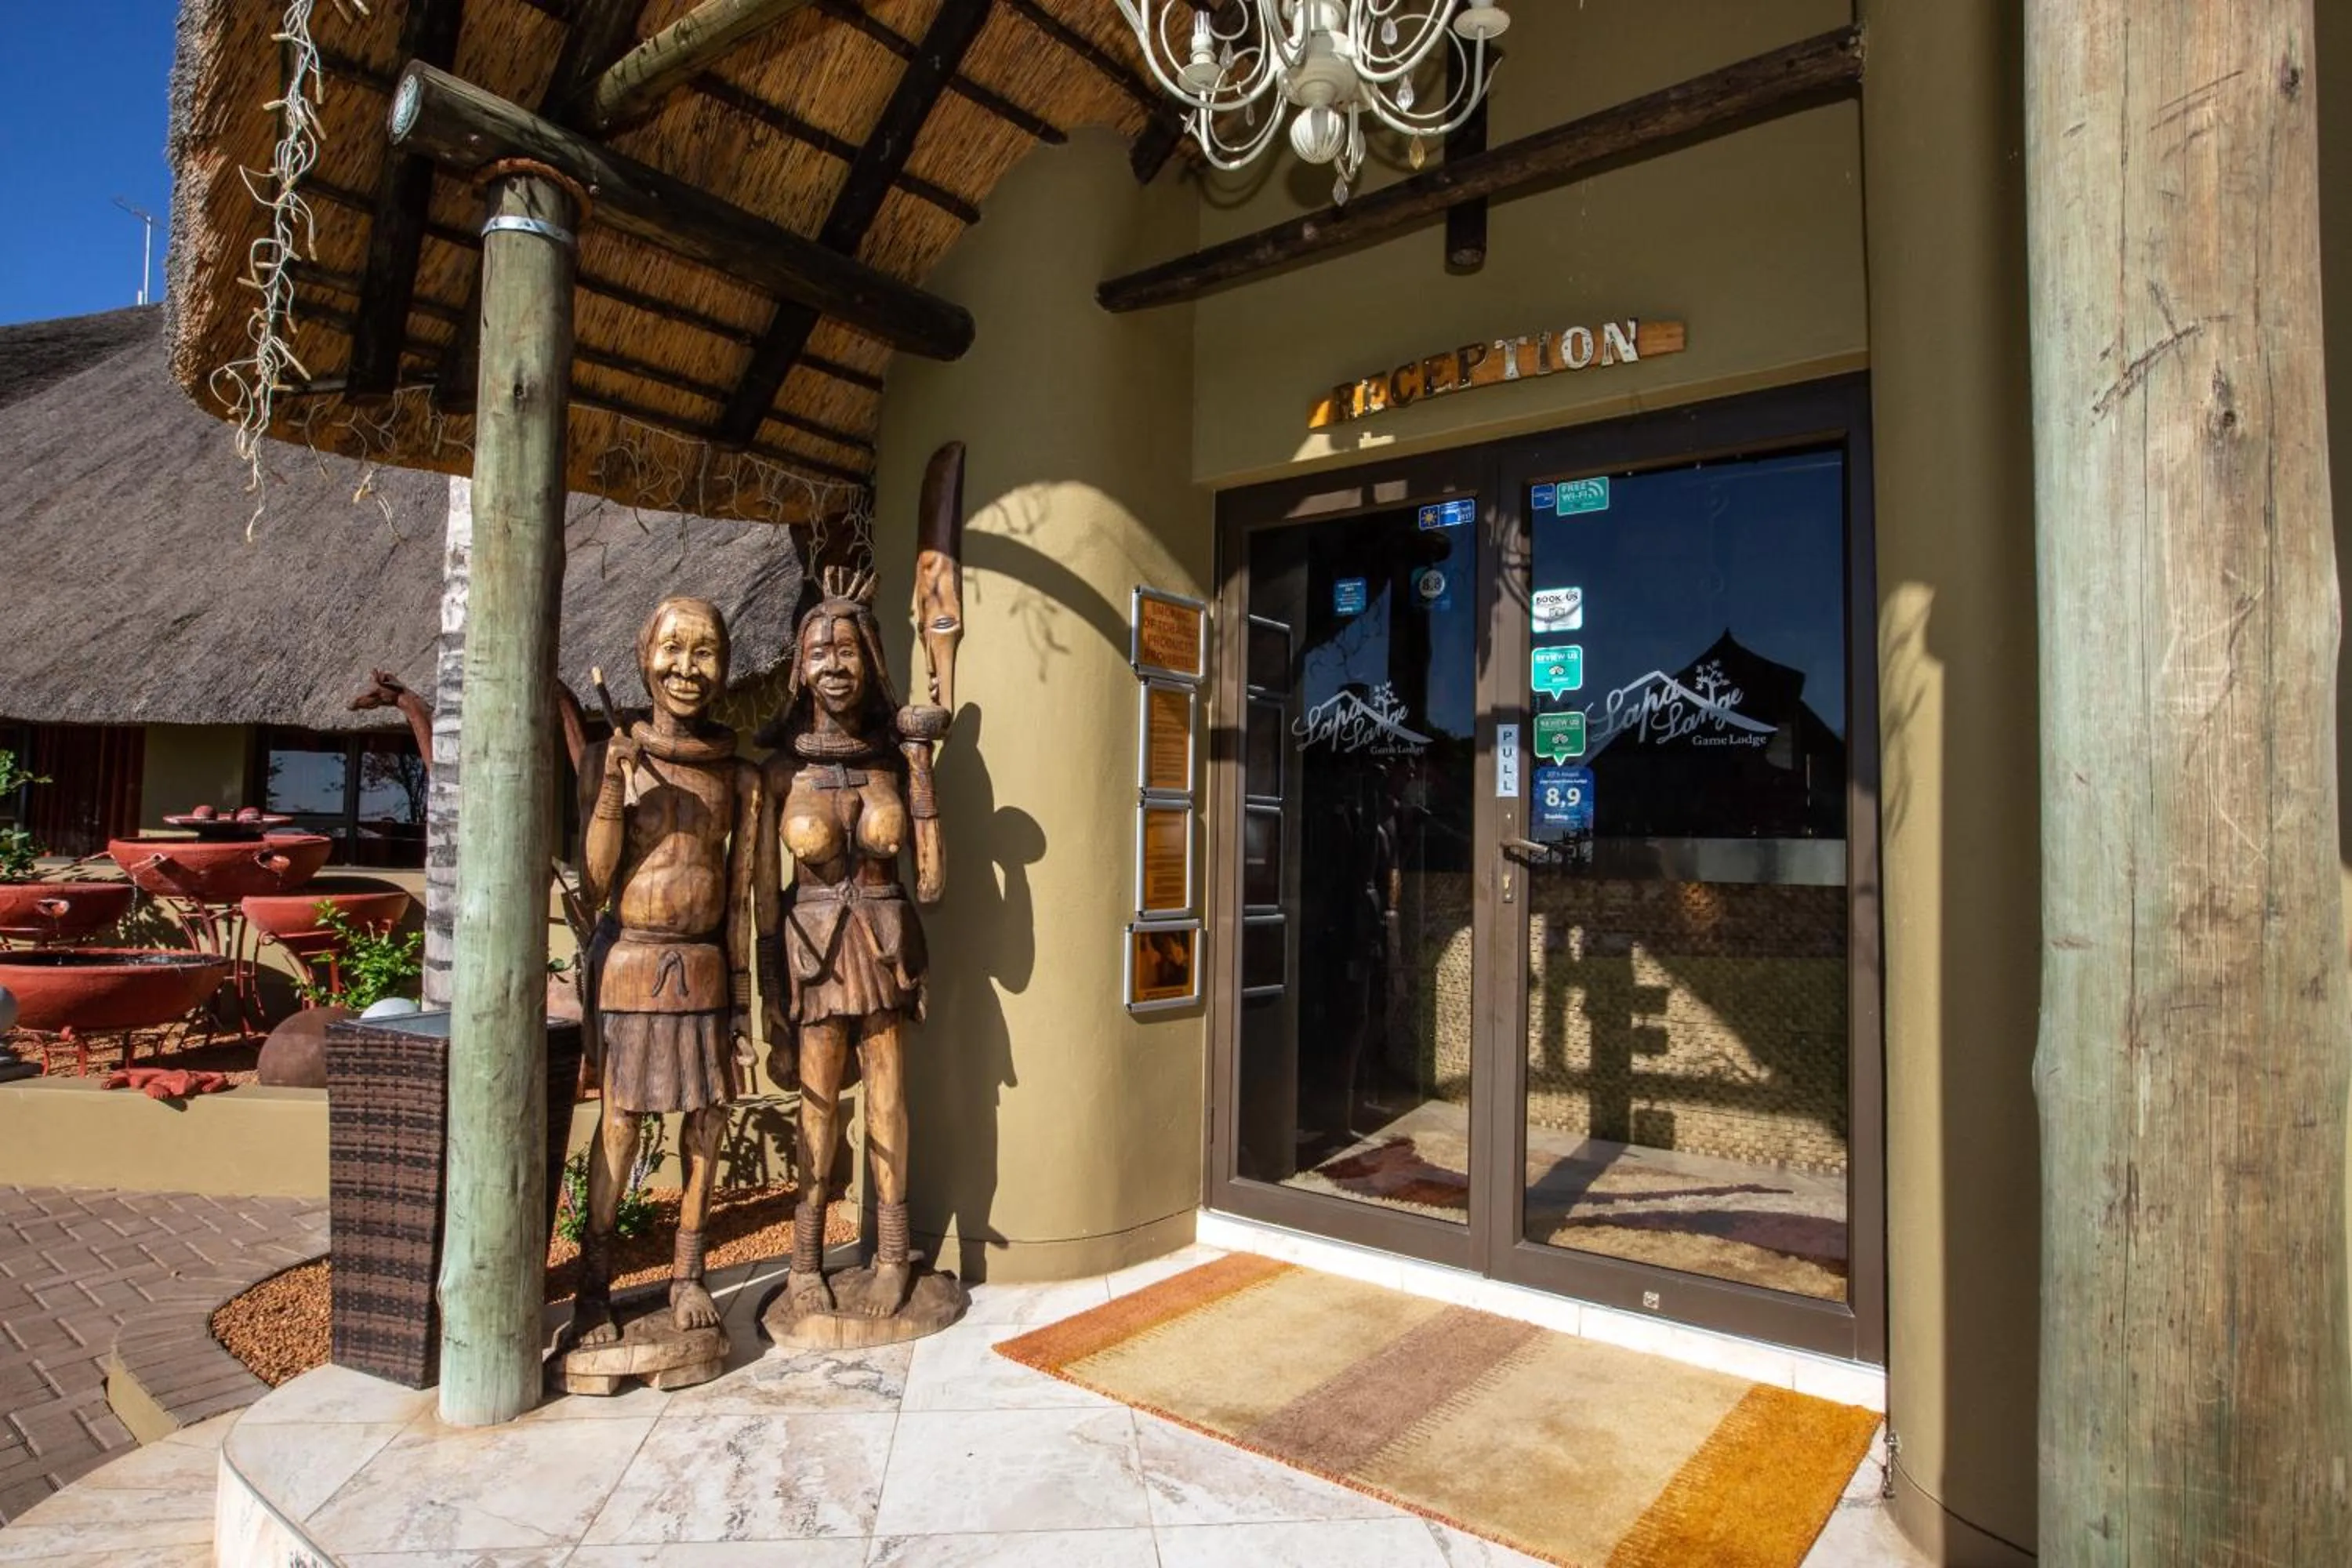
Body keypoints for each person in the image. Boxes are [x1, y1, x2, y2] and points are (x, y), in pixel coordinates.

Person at [758, 566, 947, 1319]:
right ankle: (805, 1258)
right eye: (818, 653)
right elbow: (760, 907)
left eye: (848, 652)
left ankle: (893, 1254)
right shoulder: (780, 771)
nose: (834, 667)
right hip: (811, 956)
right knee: (815, 1109)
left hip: (884, 949)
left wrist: (923, 772)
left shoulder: (894, 764)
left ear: (870, 662)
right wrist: (770, 999)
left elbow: (930, 883)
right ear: (799, 670)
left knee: (890, 1103)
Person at [572, 597, 761, 1342]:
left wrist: (745, 1008)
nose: (688, 668)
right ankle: (594, 1284)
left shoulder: (738, 777)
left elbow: (742, 899)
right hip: (633, 966)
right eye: (673, 648)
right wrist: (615, 787)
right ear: (643, 652)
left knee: (707, 1124)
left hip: (707, 971)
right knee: (619, 1124)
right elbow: (593, 882)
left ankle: (688, 1274)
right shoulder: (610, 757)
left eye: (706, 651)